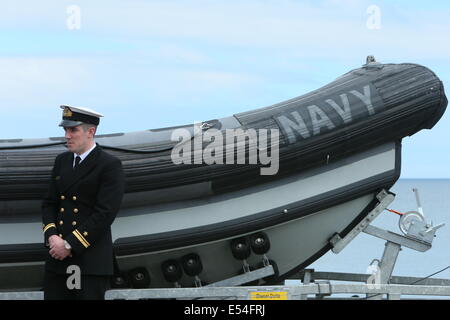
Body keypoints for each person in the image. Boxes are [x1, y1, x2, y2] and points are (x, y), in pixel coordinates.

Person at [41, 105, 125, 300]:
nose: (67, 136)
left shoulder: (109, 165)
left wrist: (69, 245)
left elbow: (105, 213)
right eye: (65, 130)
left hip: (89, 263)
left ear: (91, 132)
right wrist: (53, 237)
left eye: (73, 130)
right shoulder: (61, 161)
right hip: (57, 262)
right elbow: (49, 203)